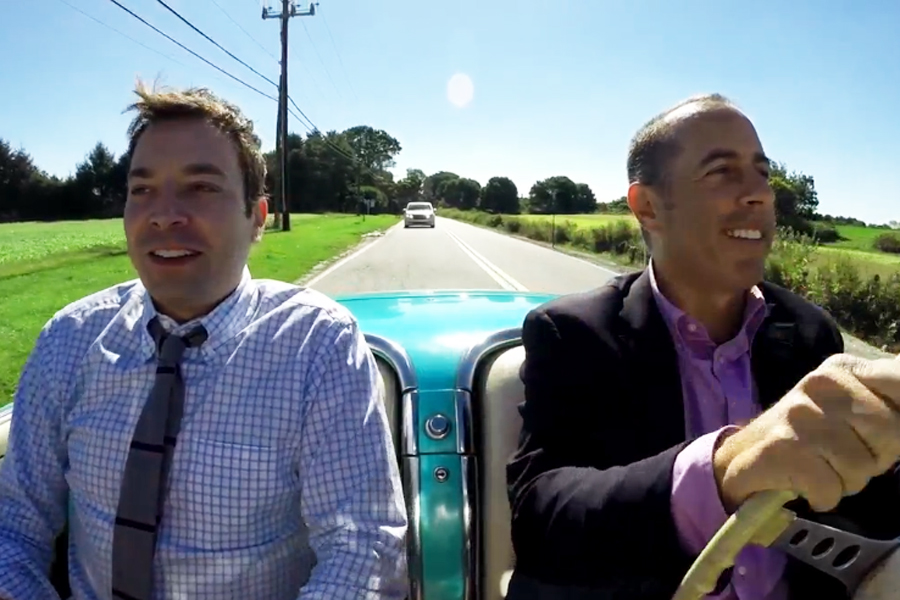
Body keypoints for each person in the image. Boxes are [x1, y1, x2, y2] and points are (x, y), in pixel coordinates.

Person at [0, 82, 408, 600]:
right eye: (141, 189)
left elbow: (363, 545)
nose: (163, 214)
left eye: (200, 188)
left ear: (257, 218)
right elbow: (12, 525)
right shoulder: (69, 339)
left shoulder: (317, 346)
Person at [506, 93, 900, 600]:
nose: (759, 193)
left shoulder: (809, 330)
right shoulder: (574, 332)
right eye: (722, 172)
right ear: (647, 206)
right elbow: (543, 515)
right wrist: (722, 470)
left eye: (762, 173)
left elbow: (866, 506)